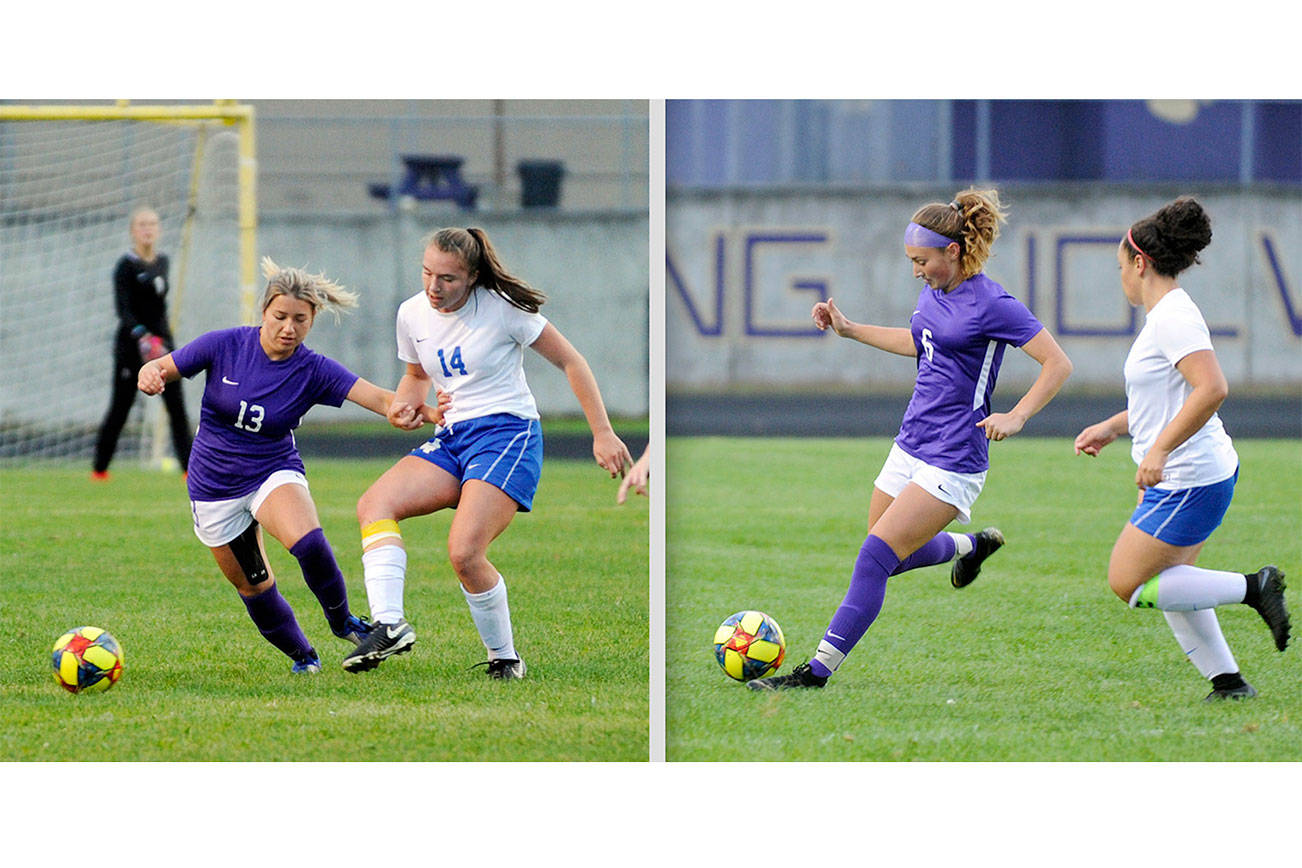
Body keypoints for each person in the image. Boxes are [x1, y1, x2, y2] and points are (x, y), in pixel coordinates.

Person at [750, 187, 1073, 690]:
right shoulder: (933, 292)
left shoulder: (994, 303)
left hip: (954, 456)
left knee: (873, 558)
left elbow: (1058, 363)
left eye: (922, 260)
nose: (916, 271)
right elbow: (920, 343)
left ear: (953, 251)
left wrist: (1018, 415)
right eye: (911, 262)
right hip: (910, 443)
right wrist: (850, 329)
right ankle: (970, 545)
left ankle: (815, 673)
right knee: (888, 555)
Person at [345, 226, 633, 680]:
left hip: (507, 435)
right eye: (427, 273)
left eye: (448, 279)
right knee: (374, 505)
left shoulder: (505, 310)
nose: (433, 288)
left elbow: (570, 361)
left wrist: (602, 432)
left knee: (464, 553)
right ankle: (388, 624)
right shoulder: (412, 313)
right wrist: (405, 405)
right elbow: (417, 375)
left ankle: (505, 658)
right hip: (454, 435)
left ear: (474, 277)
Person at [137, 257, 445, 674]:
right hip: (213, 487)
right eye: (280, 316)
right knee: (254, 587)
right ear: (263, 312)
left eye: (300, 319)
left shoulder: (312, 369)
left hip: (272, 469)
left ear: (312, 319)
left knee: (309, 542)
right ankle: (304, 656)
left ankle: (344, 623)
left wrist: (422, 412)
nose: (289, 327)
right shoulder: (224, 345)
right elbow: (163, 367)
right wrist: (150, 373)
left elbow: (381, 399)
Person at [1073, 197, 1290, 701]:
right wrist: (1114, 426)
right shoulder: (1168, 314)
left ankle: (1255, 587)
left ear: (1140, 262)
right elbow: (1166, 399)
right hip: (1198, 474)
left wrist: (1160, 451)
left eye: (1120, 267)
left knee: (1128, 582)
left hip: (1189, 479)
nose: (1120, 276)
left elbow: (1211, 388)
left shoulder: (1171, 316)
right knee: (1170, 580)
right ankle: (1229, 683)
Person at [93, 206, 193, 480]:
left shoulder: (163, 262)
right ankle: (99, 470)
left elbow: (159, 308)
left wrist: (163, 340)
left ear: (159, 230)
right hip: (131, 346)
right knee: (120, 408)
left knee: (176, 407)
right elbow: (123, 310)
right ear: (133, 231)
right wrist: (142, 336)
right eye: (142, 224)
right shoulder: (125, 266)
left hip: (161, 344)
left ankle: (189, 470)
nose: (147, 229)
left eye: (152, 224)